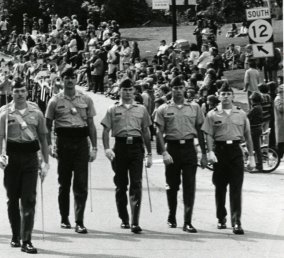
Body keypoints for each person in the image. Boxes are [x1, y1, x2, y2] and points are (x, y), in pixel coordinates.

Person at [0, 81, 49, 254]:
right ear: (12, 93)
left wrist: (46, 162)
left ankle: (27, 240)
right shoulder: (5, 113)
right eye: (16, 91)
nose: (19, 94)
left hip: (31, 159)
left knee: (29, 199)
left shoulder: (36, 113)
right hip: (12, 158)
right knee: (12, 199)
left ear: (27, 93)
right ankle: (15, 235)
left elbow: (43, 139)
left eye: (23, 91)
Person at [45, 67, 97, 234]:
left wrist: (94, 147)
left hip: (81, 142)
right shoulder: (55, 100)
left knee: (81, 183)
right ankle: (64, 217)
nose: (70, 80)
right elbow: (47, 125)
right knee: (64, 182)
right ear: (62, 80)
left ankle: (79, 220)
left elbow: (91, 125)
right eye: (66, 77)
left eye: (73, 77)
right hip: (64, 142)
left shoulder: (85, 99)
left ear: (76, 79)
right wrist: (50, 145)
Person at [154, 77, 207, 233]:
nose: (177, 90)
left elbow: (200, 131)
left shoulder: (194, 107)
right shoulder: (163, 109)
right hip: (172, 148)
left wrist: (204, 154)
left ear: (184, 89)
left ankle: (188, 221)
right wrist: (164, 152)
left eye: (180, 87)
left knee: (189, 185)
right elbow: (159, 131)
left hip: (189, 148)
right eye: (175, 87)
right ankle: (172, 216)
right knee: (172, 185)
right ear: (171, 89)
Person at [201, 83, 255, 235]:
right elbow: (209, 135)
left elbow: (248, 135)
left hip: (235, 151)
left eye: (228, 94)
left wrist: (251, 156)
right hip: (220, 151)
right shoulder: (212, 114)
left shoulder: (241, 113)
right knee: (220, 187)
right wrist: (210, 151)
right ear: (218, 95)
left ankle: (236, 221)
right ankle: (221, 217)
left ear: (232, 96)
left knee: (236, 188)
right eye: (222, 93)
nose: (225, 96)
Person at [101, 78, 153, 233]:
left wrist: (149, 153)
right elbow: (105, 130)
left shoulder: (141, 109)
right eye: (125, 90)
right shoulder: (113, 109)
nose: (128, 93)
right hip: (120, 147)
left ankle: (135, 221)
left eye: (130, 90)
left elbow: (146, 131)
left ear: (134, 92)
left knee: (136, 183)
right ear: (120, 91)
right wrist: (107, 148)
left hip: (136, 147)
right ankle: (124, 218)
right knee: (121, 184)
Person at [247, 92, 264, 173]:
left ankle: (259, 166)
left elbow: (248, 116)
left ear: (253, 100)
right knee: (256, 147)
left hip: (254, 129)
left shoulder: (255, 108)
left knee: (256, 148)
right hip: (257, 128)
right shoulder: (258, 107)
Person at [275, 85, 284, 159]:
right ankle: (277, 156)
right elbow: (281, 108)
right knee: (281, 141)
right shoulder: (278, 99)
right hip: (281, 123)